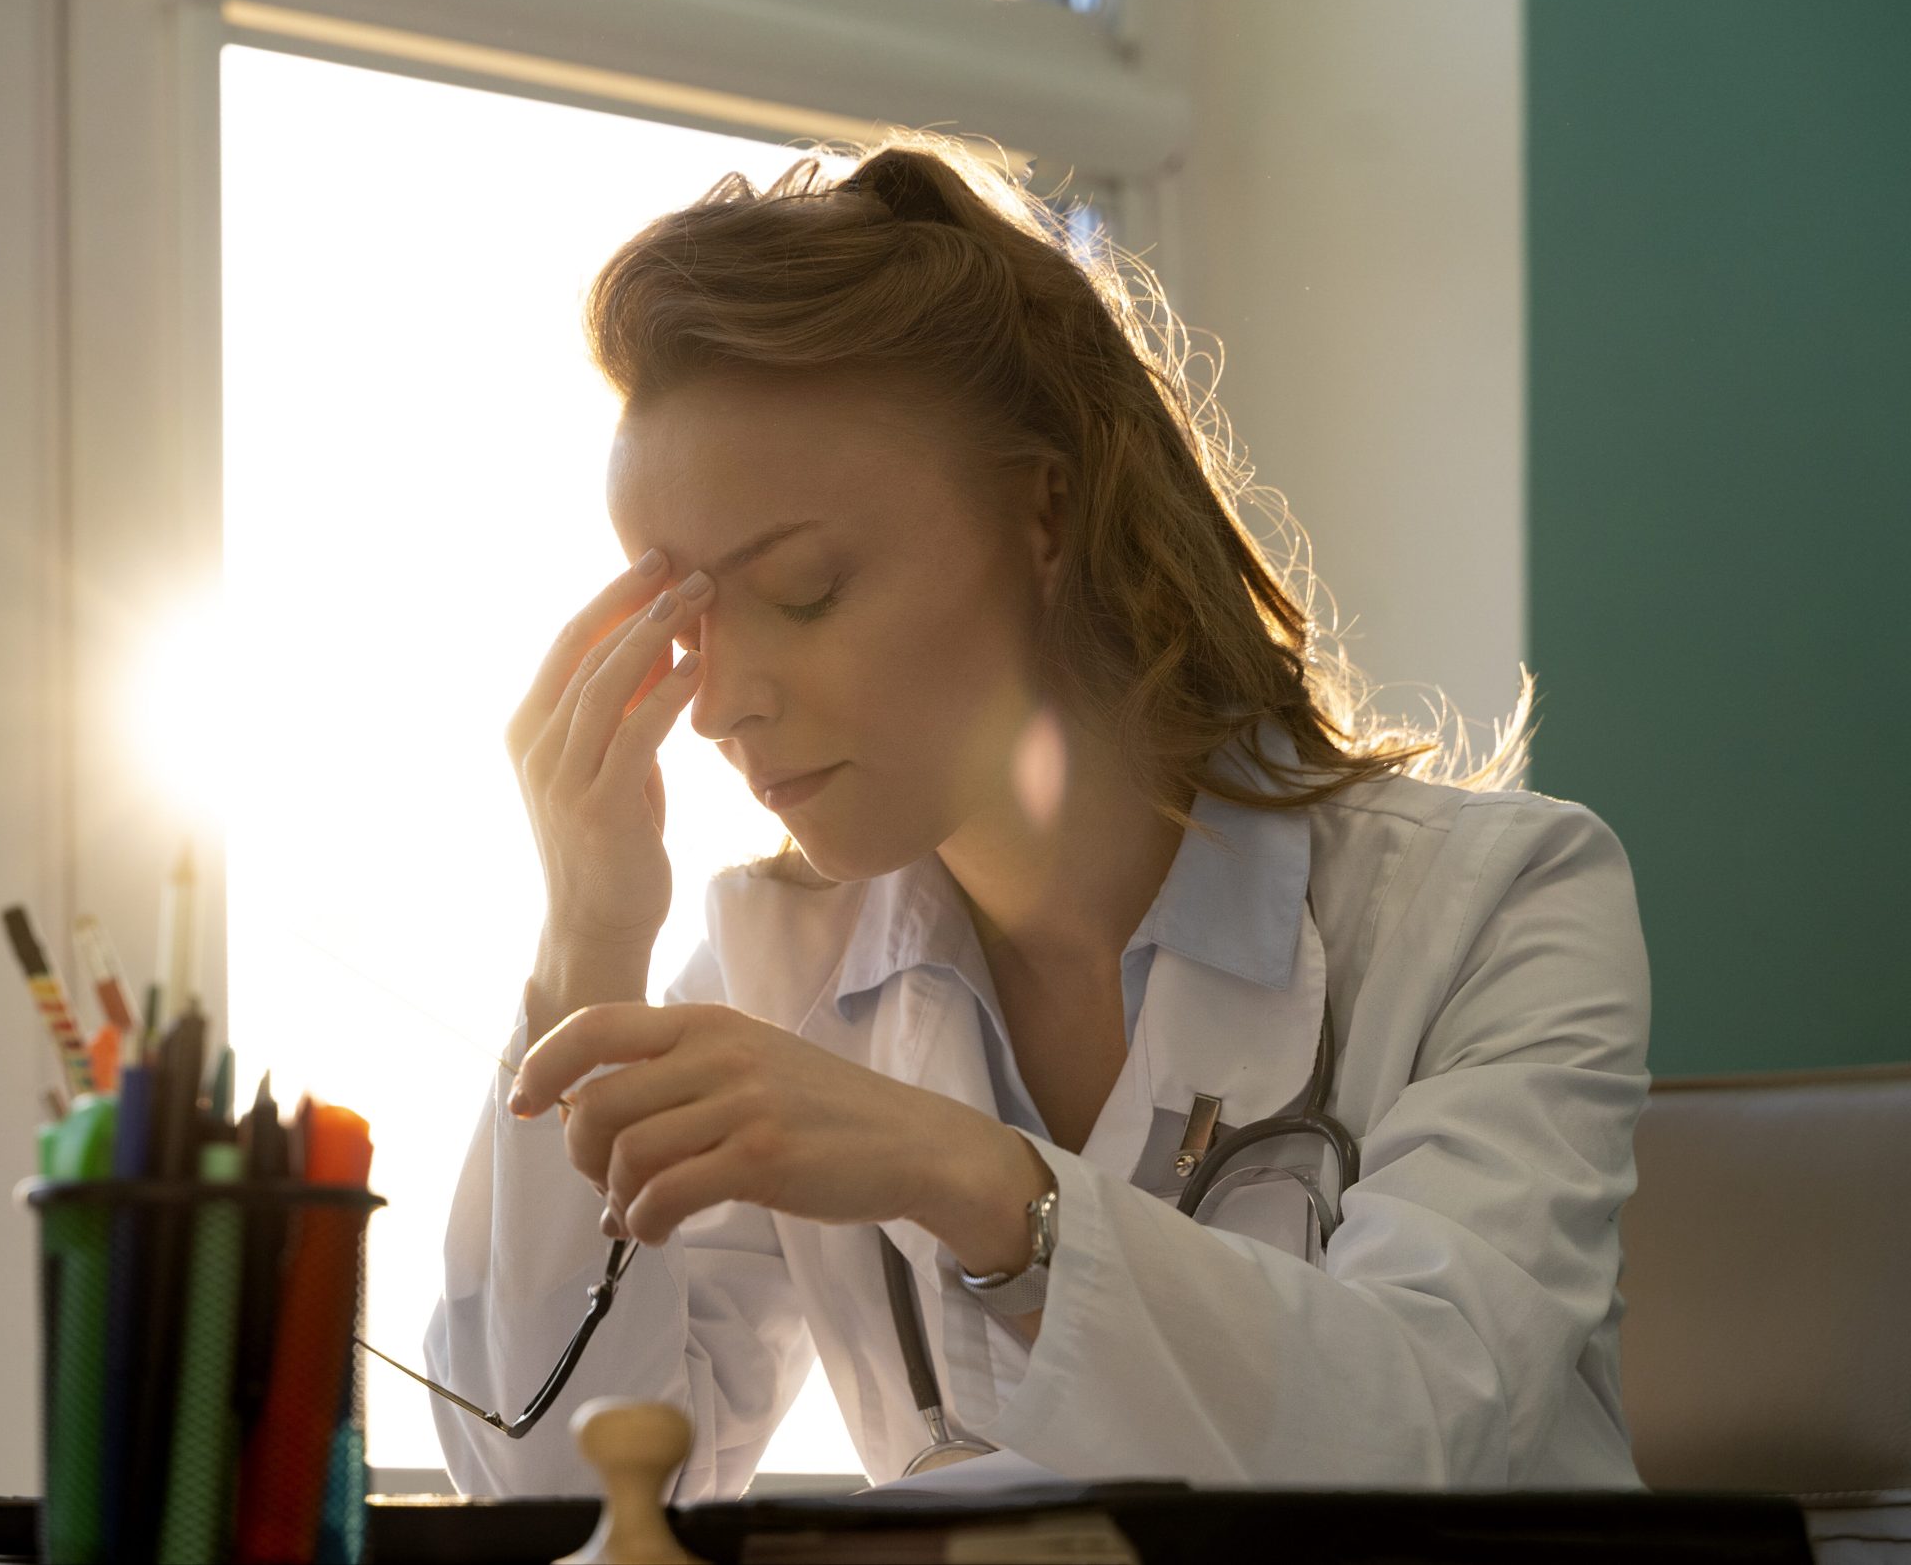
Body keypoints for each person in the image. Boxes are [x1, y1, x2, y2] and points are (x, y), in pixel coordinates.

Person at [420, 136, 1650, 1498]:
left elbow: (1417, 1425)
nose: (719, 707)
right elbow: (562, 1498)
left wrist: (967, 1176)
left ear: (1045, 511)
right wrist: (587, 943)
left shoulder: (1501, 907)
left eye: (808, 589)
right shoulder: (778, 970)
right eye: (687, 625)